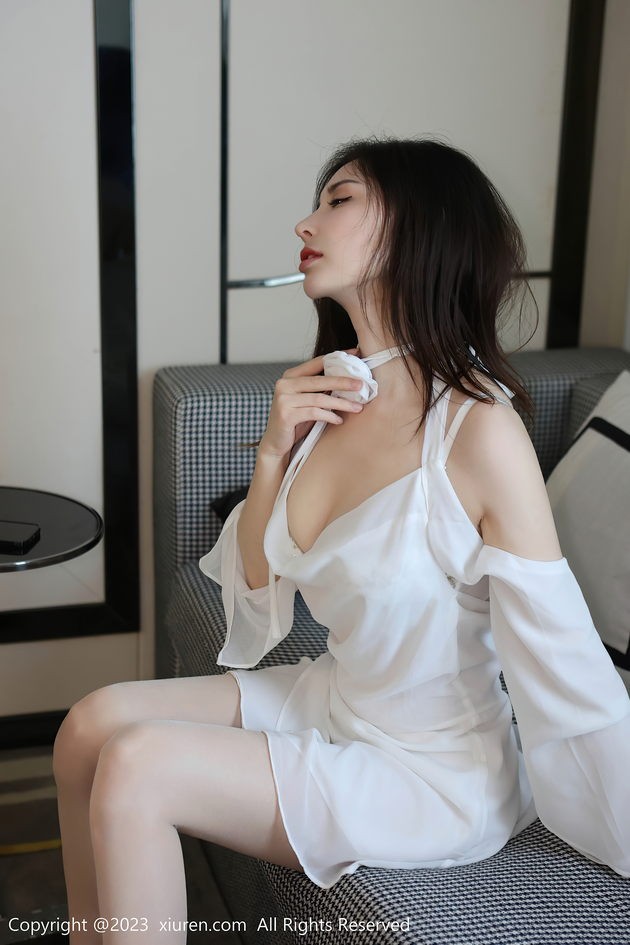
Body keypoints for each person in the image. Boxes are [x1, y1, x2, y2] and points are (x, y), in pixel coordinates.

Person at [53, 137, 630, 944]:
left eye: (340, 199)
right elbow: (258, 601)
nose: (306, 222)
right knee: (89, 725)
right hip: (339, 695)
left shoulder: (477, 428)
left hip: (432, 770)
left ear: (418, 225)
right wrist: (272, 452)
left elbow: (560, 648)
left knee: (137, 765)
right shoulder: (336, 392)